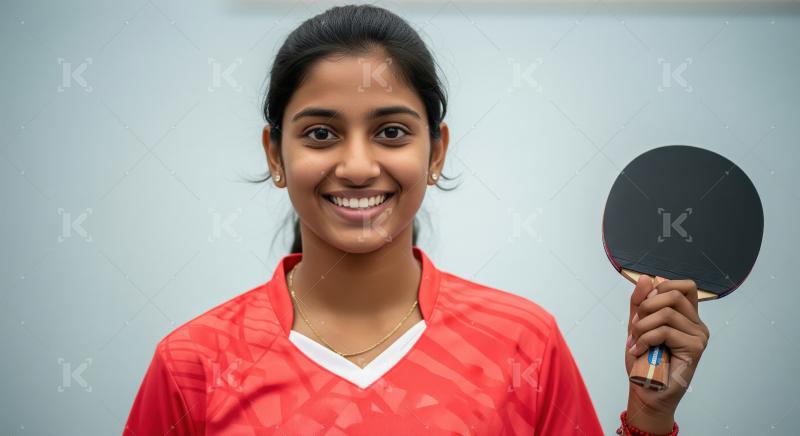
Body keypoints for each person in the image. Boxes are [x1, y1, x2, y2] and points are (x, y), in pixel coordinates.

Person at [124, 4, 709, 435]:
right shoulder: (193, 364)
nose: (357, 165)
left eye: (392, 132)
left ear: (436, 152)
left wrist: (650, 416)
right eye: (321, 133)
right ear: (276, 154)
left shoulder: (526, 345)